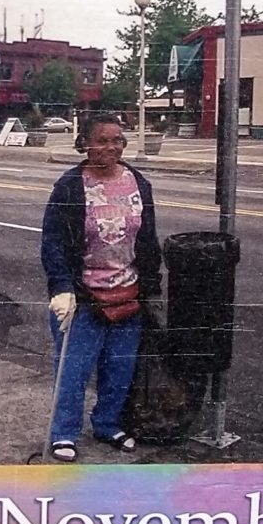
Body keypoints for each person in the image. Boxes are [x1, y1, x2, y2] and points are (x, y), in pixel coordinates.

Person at [41, 113, 163, 460]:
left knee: (120, 368)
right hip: (83, 297)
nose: (110, 147)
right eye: (102, 140)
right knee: (73, 370)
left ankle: (107, 423)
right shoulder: (69, 186)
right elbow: (53, 242)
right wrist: (61, 287)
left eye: (117, 140)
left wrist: (151, 287)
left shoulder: (138, 181)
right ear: (85, 144)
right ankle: (64, 433)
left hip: (128, 293)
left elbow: (149, 240)